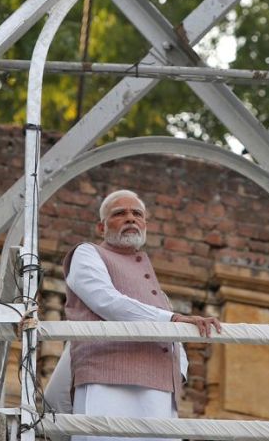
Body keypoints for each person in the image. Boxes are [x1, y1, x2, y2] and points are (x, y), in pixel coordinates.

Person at [61, 189, 221, 441]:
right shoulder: (87, 253)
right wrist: (172, 319)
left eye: (137, 214)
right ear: (101, 228)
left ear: (145, 224)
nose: (130, 218)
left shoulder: (155, 286)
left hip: (160, 386)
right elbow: (106, 300)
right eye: (119, 213)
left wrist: (179, 371)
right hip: (107, 377)